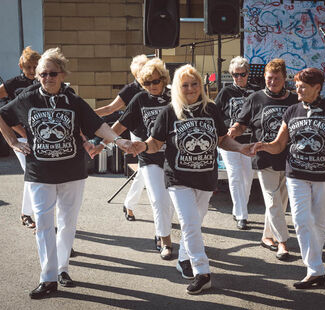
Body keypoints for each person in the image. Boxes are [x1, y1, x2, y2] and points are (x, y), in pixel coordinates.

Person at [0, 47, 135, 299]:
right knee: (44, 225)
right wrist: (14, 143)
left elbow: (98, 124)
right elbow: (1, 116)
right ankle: (47, 278)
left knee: (67, 223)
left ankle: (62, 269)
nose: (47, 78)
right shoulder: (27, 98)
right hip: (40, 172)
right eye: (43, 74)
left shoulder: (74, 100)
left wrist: (119, 141)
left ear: (62, 74)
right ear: (37, 76)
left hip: (73, 171)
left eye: (52, 73)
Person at [127, 64, 254, 294]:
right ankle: (202, 272)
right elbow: (155, 143)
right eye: (185, 85)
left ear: (201, 85)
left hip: (206, 177)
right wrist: (142, 145)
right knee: (189, 222)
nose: (190, 88)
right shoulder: (169, 112)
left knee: (195, 223)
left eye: (194, 84)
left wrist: (241, 148)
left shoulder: (211, 109)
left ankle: (184, 257)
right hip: (178, 177)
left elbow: (223, 140)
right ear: (177, 87)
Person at [254, 67, 325, 289]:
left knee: (318, 222)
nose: (297, 89)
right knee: (300, 220)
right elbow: (279, 145)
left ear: (317, 88)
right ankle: (315, 269)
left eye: (303, 86)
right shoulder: (292, 111)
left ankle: (315, 268)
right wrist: (263, 146)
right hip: (296, 174)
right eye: (296, 85)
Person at [97, 57, 175, 260]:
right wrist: (102, 145)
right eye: (147, 83)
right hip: (148, 156)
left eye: (156, 82)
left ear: (164, 79)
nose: (152, 86)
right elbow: (120, 125)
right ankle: (163, 239)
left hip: (173, 156)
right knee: (158, 199)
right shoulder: (139, 99)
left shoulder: (175, 96)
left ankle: (163, 229)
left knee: (170, 201)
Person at [229, 58, 298, 261]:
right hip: (264, 157)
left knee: (280, 203)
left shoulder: (294, 100)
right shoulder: (255, 98)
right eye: (269, 78)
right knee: (272, 201)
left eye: (277, 78)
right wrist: (233, 131)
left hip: (288, 158)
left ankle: (267, 236)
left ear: (285, 78)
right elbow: (241, 124)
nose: (272, 82)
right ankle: (283, 243)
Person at [0, 46, 41, 229]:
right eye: (28, 67)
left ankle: (27, 213)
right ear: (21, 66)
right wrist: (7, 123)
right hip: (21, 137)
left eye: (35, 67)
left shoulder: (44, 81)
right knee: (33, 174)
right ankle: (30, 215)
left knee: (33, 175)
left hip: (40, 135)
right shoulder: (14, 83)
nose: (32, 71)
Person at [93, 54, 149, 222]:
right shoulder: (130, 90)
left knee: (145, 171)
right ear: (135, 74)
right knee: (147, 168)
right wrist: (87, 114)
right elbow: (110, 109)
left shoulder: (158, 86)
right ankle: (131, 205)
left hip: (157, 132)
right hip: (138, 132)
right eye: (140, 72)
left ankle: (129, 205)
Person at [214, 56, 260, 230]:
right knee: (234, 175)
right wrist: (222, 132)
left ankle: (238, 207)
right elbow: (214, 113)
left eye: (242, 74)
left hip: (250, 140)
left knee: (247, 177)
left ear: (248, 74)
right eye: (235, 75)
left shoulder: (256, 92)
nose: (239, 78)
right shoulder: (226, 93)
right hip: (230, 141)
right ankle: (242, 215)